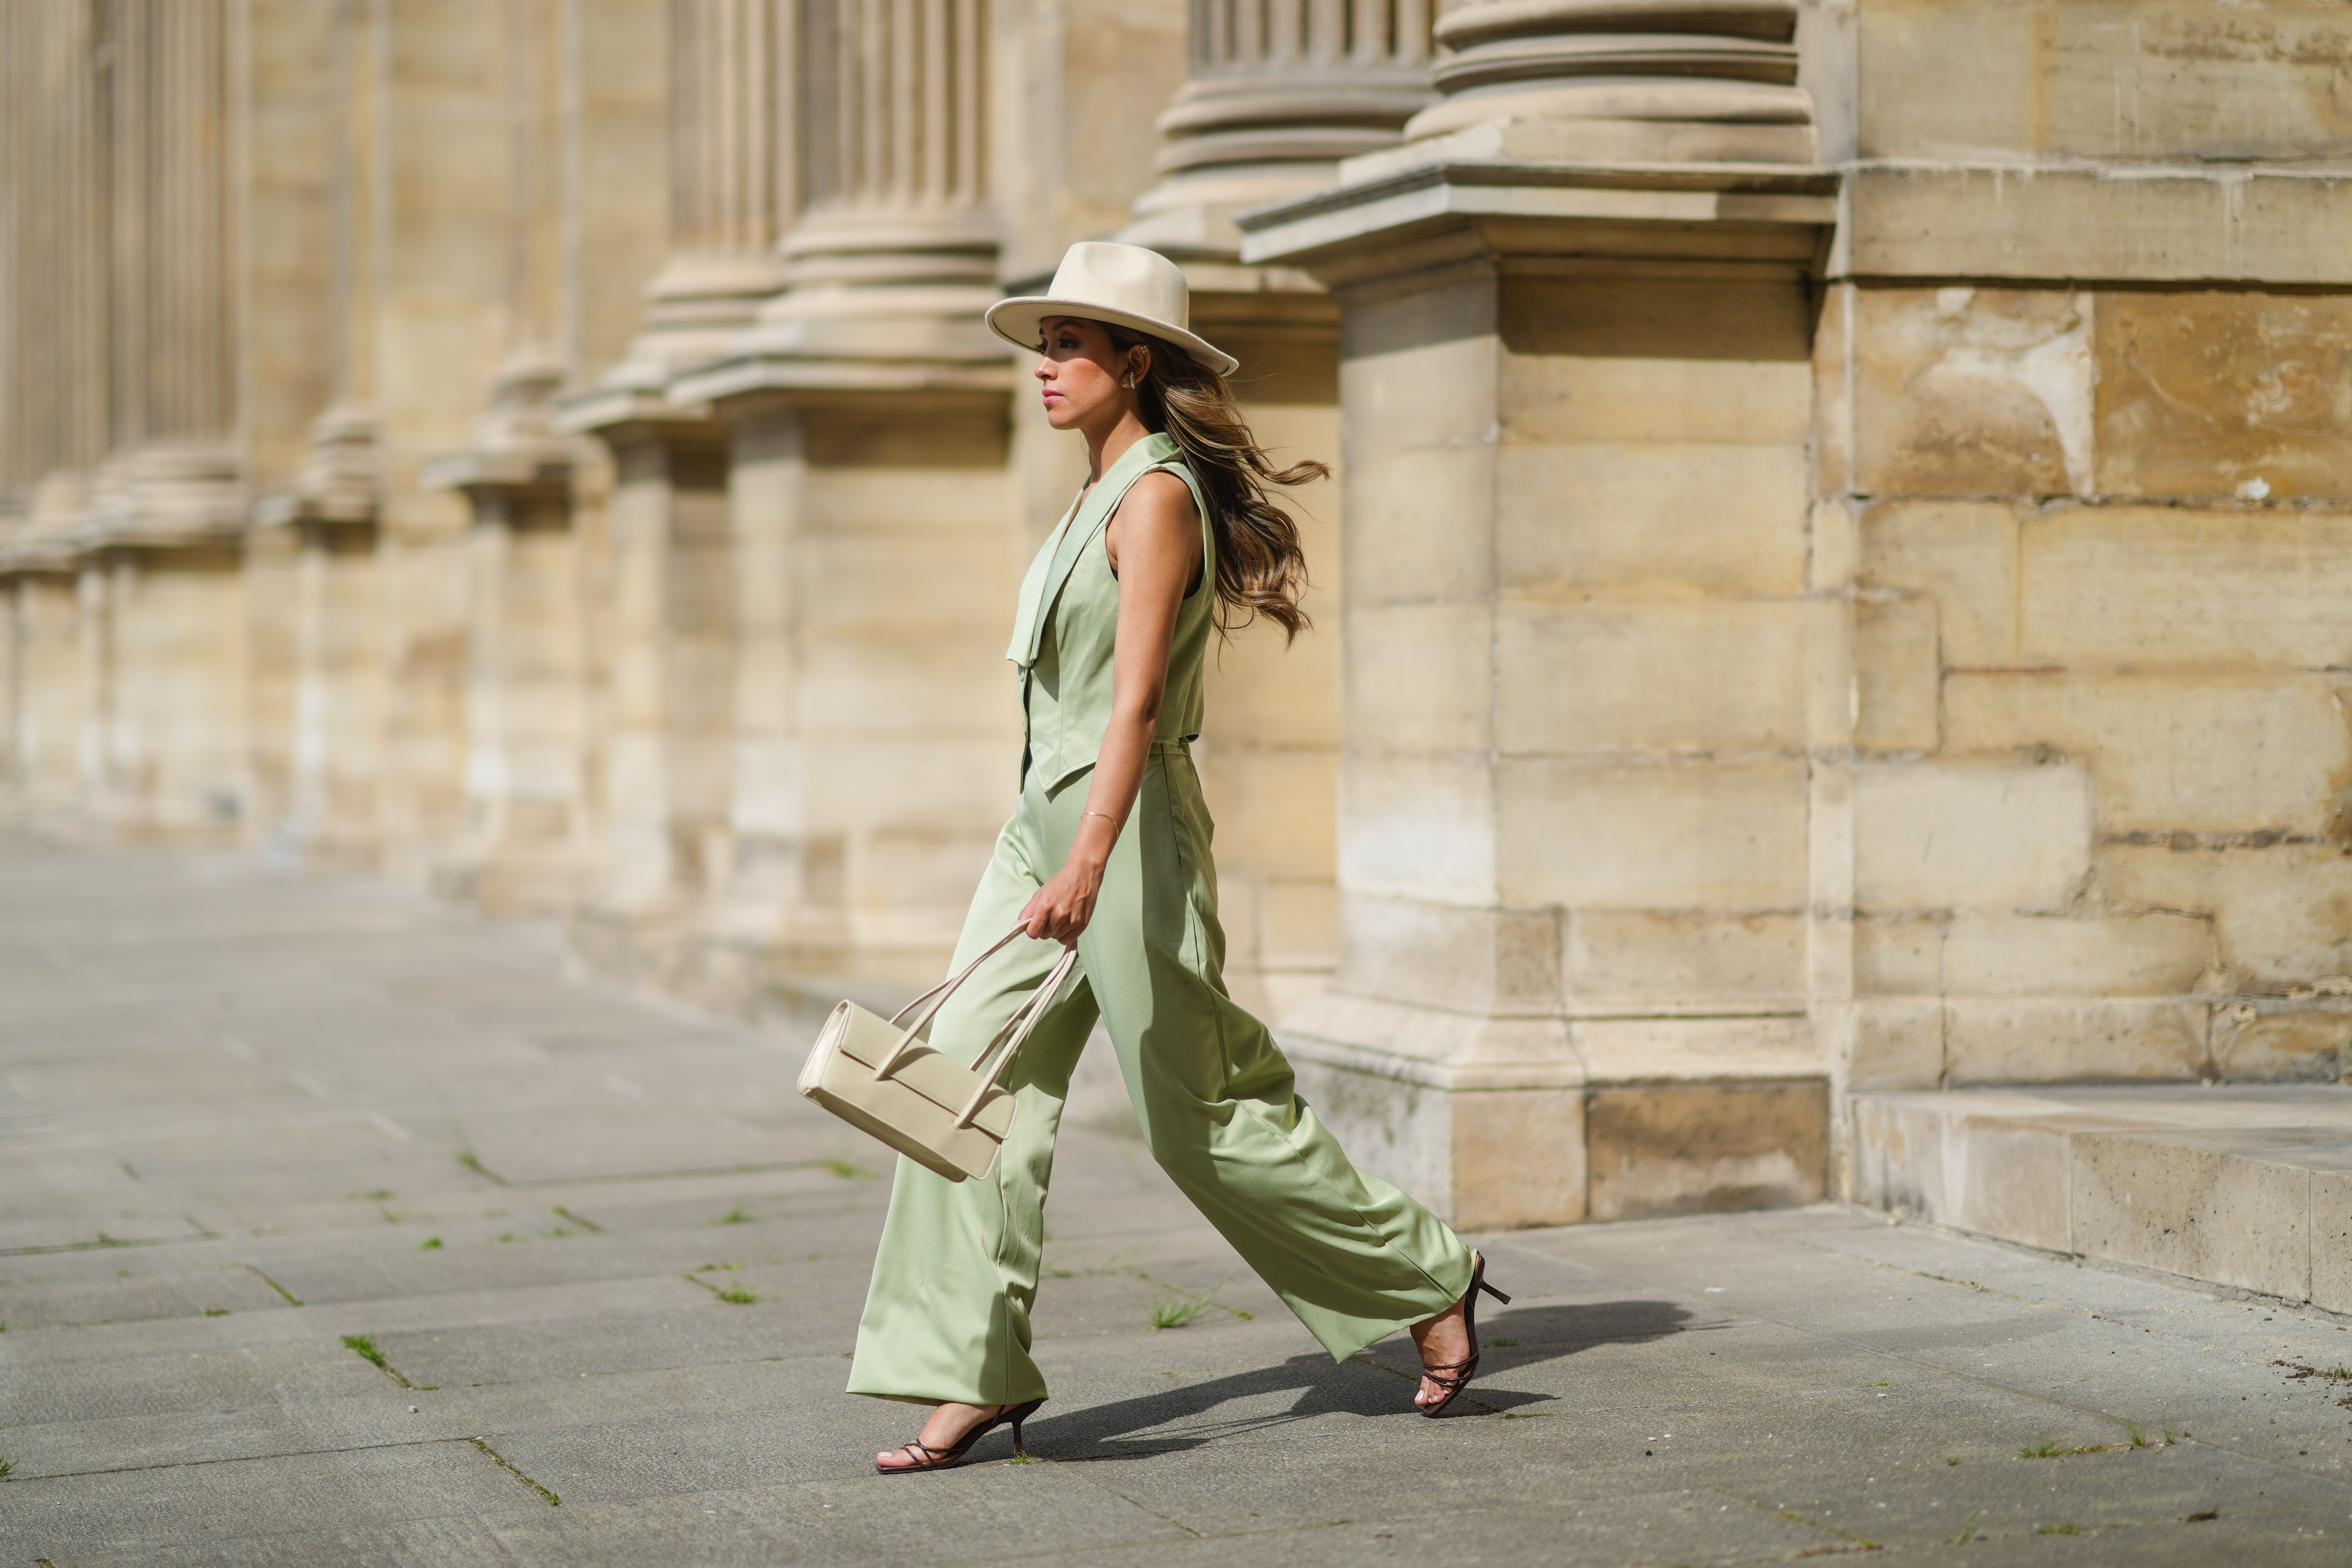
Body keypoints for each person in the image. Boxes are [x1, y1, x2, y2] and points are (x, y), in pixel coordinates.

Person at [850, 242, 1508, 1473]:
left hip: (1128, 831)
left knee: (1194, 1114)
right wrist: (1046, 846)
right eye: (1043, 346)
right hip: (1038, 826)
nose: (1044, 368)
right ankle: (969, 1369)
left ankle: (1429, 1275)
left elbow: (1137, 702)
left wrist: (1091, 859)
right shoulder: (1090, 495)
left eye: (1069, 346)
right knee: (954, 1083)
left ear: (1133, 362)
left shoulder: (1155, 497)